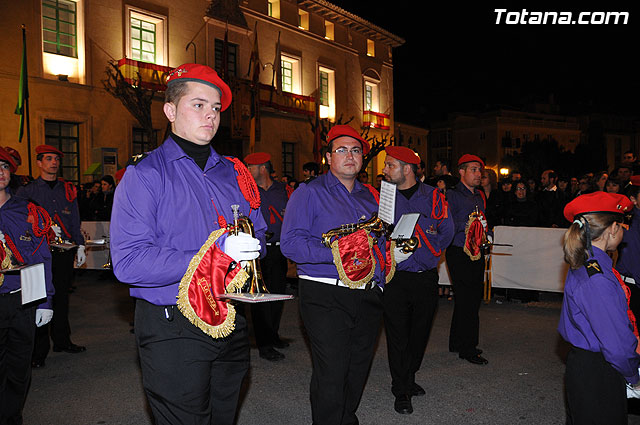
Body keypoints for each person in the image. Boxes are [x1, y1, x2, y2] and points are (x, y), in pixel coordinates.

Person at [110, 63, 266, 425]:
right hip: (173, 323)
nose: (210, 116)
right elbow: (130, 262)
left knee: (223, 416)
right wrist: (213, 254)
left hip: (230, 314)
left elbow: (256, 229)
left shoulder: (233, 171)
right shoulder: (145, 174)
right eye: (198, 105)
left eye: (215, 109)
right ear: (170, 111)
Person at [280, 124, 395, 425]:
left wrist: (384, 274)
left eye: (355, 150)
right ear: (328, 157)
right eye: (341, 150)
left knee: (358, 367)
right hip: (325, 292)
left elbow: (379, 245)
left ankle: (346, 419)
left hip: (367, 293)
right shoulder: (309, 192)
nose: (349, 156)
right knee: (332, 370)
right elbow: (291, 243)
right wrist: (341, 254)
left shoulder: (372, 197)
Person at [381, 146, 454, 415]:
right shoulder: (384, 197)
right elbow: (376, 232)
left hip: (424, 276)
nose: (385, 170)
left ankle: (408, 376)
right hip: (394, 277)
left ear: (407, 169)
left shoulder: (433, 195)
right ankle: (401, 389)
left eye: (390, 165)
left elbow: (447, 229)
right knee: (397, 335)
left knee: (419, 333)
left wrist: (432, 252)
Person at [558, 191, 640, 424]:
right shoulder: (598, 277)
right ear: (612, 228)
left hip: (588, 365)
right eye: (623, 223)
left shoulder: (588, 262)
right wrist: (633, 377)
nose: (625, 229)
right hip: (599, 369)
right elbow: (616, 342)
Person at [17, 145, 87, 368]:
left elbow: (74, 218)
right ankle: (38, 351)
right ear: (39, 163)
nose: (54, 162)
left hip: (64, 251)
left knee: (62, 297)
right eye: (48, 159)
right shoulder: (27, 191)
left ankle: (62, 340)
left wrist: (81, 245)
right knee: (39, 298)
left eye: (56, 159)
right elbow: (17, 219)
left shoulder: (67, 189)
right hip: (39, 253)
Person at [0, 147, 54, 424]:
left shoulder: (28, 211)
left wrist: (45, 302)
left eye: (4, 166)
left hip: (22, 298)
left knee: (19, 369)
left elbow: (42, 256)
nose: (0, 172)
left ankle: (12, 417)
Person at [244, 152, 290, 361]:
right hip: (259, 250)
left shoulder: (283, 190)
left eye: (250, 167)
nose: (247, 171)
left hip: (279, 249)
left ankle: (273, 335)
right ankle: (264, 344)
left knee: (277, 294)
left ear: (263, 168)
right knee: (260, 297)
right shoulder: (247, 191)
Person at [445, 154, 489, 365]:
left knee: (469, 298)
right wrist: (471, 223)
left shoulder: (480, 195)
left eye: (480, 170)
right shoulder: (453, 195)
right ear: (461, 172)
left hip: (476, 250)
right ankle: (468, 348)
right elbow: (448, 223)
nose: (478, 174)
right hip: (459, 251)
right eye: (473, 169)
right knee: (467, 299)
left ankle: (457, 342)